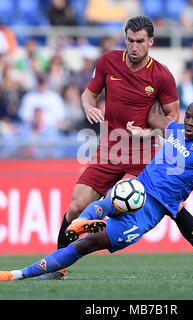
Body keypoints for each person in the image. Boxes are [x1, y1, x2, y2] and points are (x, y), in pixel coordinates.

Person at [0, 99, 193, 282]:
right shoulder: (175, 130)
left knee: (86, 244)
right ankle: (22, 270)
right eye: (187, 117)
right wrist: (138, 116)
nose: (188, 123)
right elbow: (155, 117)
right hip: (136, 188)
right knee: (104, 202)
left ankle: (37, 264)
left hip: (151, 211)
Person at [55, 17, 179, 255]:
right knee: (75, 208)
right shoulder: (109, 61)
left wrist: (147, 132)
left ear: (151, 41)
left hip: (143, 153)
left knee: (124, 201)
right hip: (110, 149)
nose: (134, 47)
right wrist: (88, 106)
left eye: (140, 41)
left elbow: (173, 121)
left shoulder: (162, 76)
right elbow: (87, 95)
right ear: (125, 38)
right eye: (130, 41)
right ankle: (55, 264)